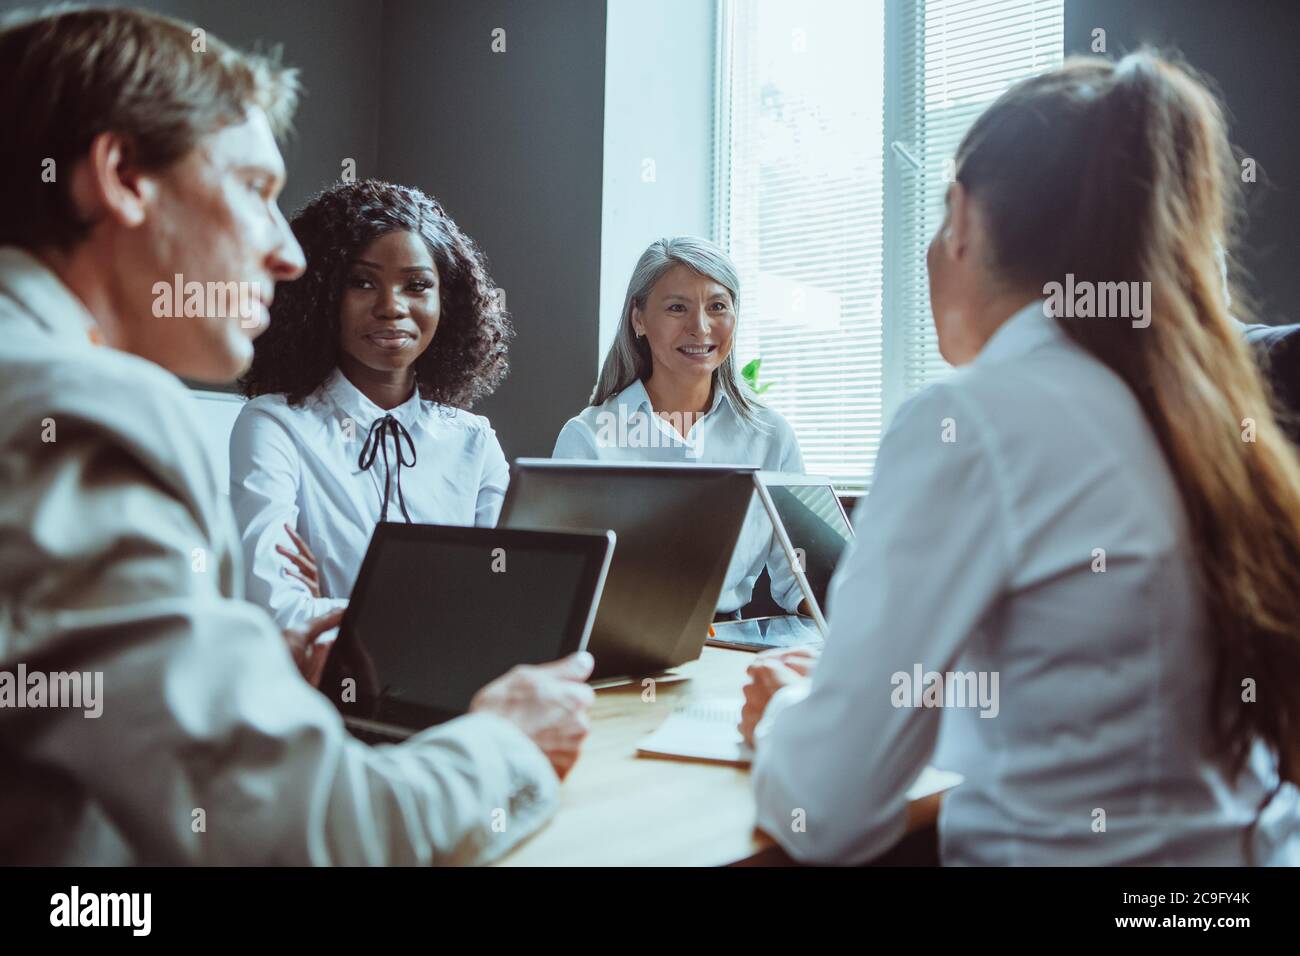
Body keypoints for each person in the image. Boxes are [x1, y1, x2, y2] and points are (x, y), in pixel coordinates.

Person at [0, 5, 591, 866]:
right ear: (123, 175)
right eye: (254, 190)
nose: (287, 255)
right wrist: (508, 743)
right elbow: (303, 831)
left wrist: (244, 660)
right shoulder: (77, 405)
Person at [741, 51, 1300, 865]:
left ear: (962, 220)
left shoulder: (973, 418)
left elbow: (826, 811)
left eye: (937, 219)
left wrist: (791, 707)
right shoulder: (1213, 417)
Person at [231, 180, 513, 630]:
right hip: (327, 695)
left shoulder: (474, 442)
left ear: (447, 302)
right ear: (321, 296)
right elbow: (276, 612)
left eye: (417, 285)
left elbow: (504, 605)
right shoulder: (275, 426)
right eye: (362, 282)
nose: (391, 307)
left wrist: (338, 605)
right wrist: (439, 617)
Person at [553, 236, 807, 618]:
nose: (700, 328)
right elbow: (565, 582)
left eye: (718, 306)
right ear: (638, 318)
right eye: (677, 308)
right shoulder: (588, 438)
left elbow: (798, 578)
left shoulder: (771, 435)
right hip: (617, 646)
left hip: (728, 646)